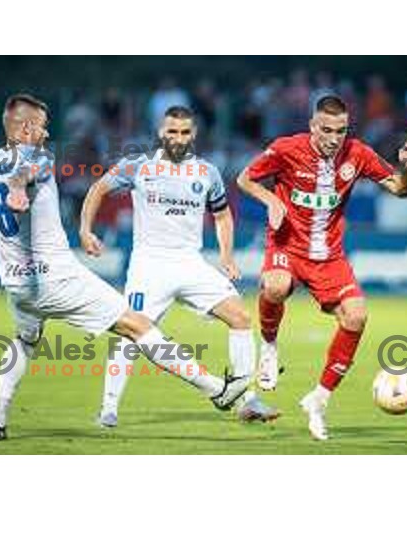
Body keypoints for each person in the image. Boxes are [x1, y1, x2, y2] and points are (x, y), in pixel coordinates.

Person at [0, 95, 248, 440]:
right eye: (42, 125)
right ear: (27, 128)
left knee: (25, 340)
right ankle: (215, 389)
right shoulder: (39, 157)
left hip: (17, 284)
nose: (46, 132)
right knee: (139, 326)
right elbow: (26, 173)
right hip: (57, 279)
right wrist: (16, 187)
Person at [237, 95, 407, 440]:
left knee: (356, 316)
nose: (333, 137)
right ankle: (268, 347)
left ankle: (319, 400)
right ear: (313, 126)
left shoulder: (358, 153)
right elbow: (244, 179)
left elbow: (401, 191)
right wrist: (272, 200)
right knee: (276, 287)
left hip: (329, 256)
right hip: (287, 246)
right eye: (326, 129)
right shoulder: (286, 149)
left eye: (340, 130)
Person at [80, 106, 279, 427]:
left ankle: (246, 397)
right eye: (172, 131)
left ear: (194, 134)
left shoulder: (206, 172)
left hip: (191, 263)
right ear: (161, 132)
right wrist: (85, 230)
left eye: (185, 132)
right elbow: (98, 189)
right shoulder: (139, 165)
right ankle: (108, 408)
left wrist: (226, 256)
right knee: (129, 333)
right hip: (149, 265)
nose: (178, 138)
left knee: (240, 317)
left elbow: (222, 215)